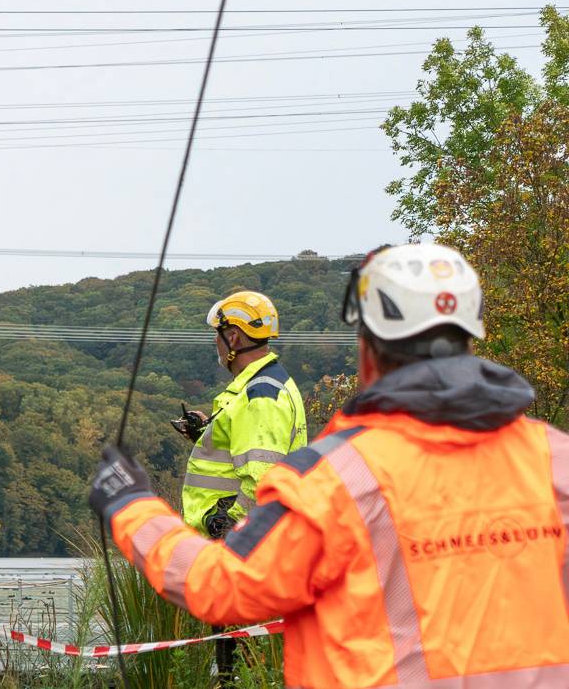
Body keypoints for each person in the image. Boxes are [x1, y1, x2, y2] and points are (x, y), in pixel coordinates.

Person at [90, 242, 569, 688]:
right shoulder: (555, 458)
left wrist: (131, 505)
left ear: (367, 343)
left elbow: (223, 586)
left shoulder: (339, 479)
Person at [178, 290, 309, 536]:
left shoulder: (260, 396)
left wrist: (229, 526)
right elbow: (245, 448)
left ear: (234, 338)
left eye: (218, 333)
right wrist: (208, 433)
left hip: (235, 543)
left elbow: (263, 476)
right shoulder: (264, 384)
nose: (215, 341)